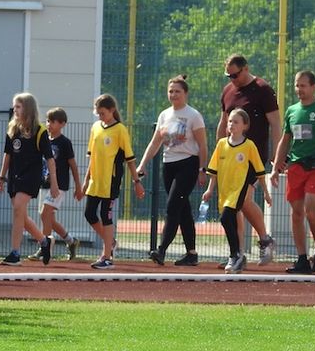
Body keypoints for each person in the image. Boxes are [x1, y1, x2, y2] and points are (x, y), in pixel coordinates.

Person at [136, 75, 208, 266]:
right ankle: (191, 253)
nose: (173, 94)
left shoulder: (193, 115)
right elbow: (155, 143)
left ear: (185, 93)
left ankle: (161, 250)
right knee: (183, 210)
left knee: (172, 206)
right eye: (171, 91)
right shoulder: (164, 115)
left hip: (188, 164)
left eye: (177, 91)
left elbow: (202, 145)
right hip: (169, 165)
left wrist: (202, 169)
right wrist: (142, 165)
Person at [218, 54, 280, 265]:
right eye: (229, 75)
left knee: (241, 201)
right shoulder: (228, 91)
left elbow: (276, 123)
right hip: (230, 158)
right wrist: (220, 149)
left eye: (235, 74)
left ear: (245, 69)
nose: (232, 79)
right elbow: (223, 122)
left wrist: (276, 154)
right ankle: (238, 252)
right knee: (233, 204)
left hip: (253, 157)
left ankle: (263, 239)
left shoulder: (262, 89)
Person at [269, 70, 315, 273]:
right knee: (296, 213)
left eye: (303, 85)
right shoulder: (292, 111)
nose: (299, 90)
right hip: (296, 166)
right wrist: (276, 167)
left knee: (310, 210)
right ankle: (302, 259)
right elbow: (285, 140)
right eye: (297, 85)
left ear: (313, 87)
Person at [203, 108, 272, 273]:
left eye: (236, 122)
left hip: (239, 189)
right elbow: (214, 170)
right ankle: (237, 255)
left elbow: (260, 171)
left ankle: (235, 255)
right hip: (225, 191)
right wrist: (210, 189)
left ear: (245, 126)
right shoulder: (221, 144)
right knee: (229, 221)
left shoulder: (249, 146)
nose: (232, 124)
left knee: (226, 218)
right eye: (230, 121)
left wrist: (266, 192)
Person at [83, 94, 145, 269]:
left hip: (110, 182)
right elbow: (92, 157)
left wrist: (136, 181)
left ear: (111, 111)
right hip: (96, 181)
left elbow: (130, 159)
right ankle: (110, 242)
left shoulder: (120, 130)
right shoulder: (96, 127)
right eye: (98, 113)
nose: (100, 116)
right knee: (89, 214)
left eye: (103, 112)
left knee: (106, 216)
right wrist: (86, 181)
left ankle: (107, 256)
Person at [0, 93, 57, 266]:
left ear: (28, 108)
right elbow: (7, 155)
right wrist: (2, 176)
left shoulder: (40, 131)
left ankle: (15, 253)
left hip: (31, 176)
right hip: (15, 175)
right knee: (20, 214)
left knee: (17, 209)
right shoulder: (13, 129)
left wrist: (54, 183)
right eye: (14, 106)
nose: (14, 110)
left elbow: (50, 159)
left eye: (18, 106)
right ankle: (45, 241)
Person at [33, 108, 83, 261]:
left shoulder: (65, 143)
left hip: (59, 185)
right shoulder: (44, 141)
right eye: (48, 121)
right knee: (49, 218)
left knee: (44, 214)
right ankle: (71, 241)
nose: (49, 124)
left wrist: (78, 186)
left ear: (62, 124)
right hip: (45, 184)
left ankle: (45, 247)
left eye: (53, 122)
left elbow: (73, 166)